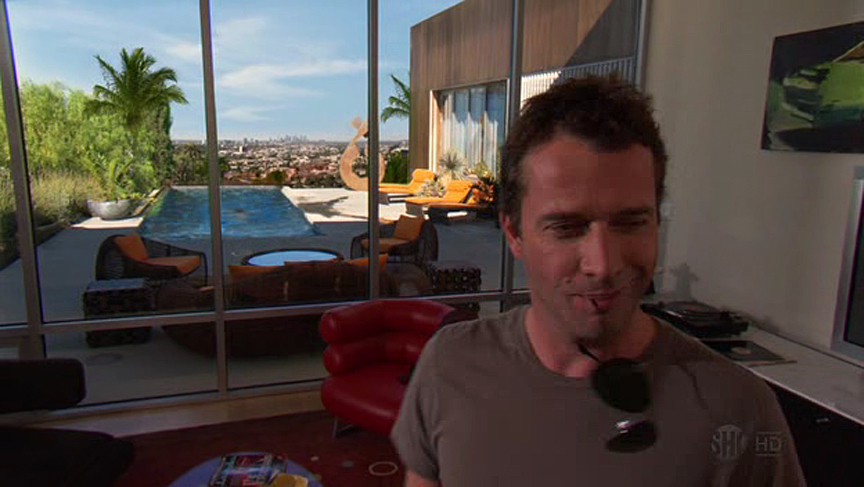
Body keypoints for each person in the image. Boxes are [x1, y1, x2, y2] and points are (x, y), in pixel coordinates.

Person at [390, 76, 806, 486]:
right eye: (566, 228)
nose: (603, 265)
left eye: (631, 223)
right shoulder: (449, 366)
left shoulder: (740, 410)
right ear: (514, 233)